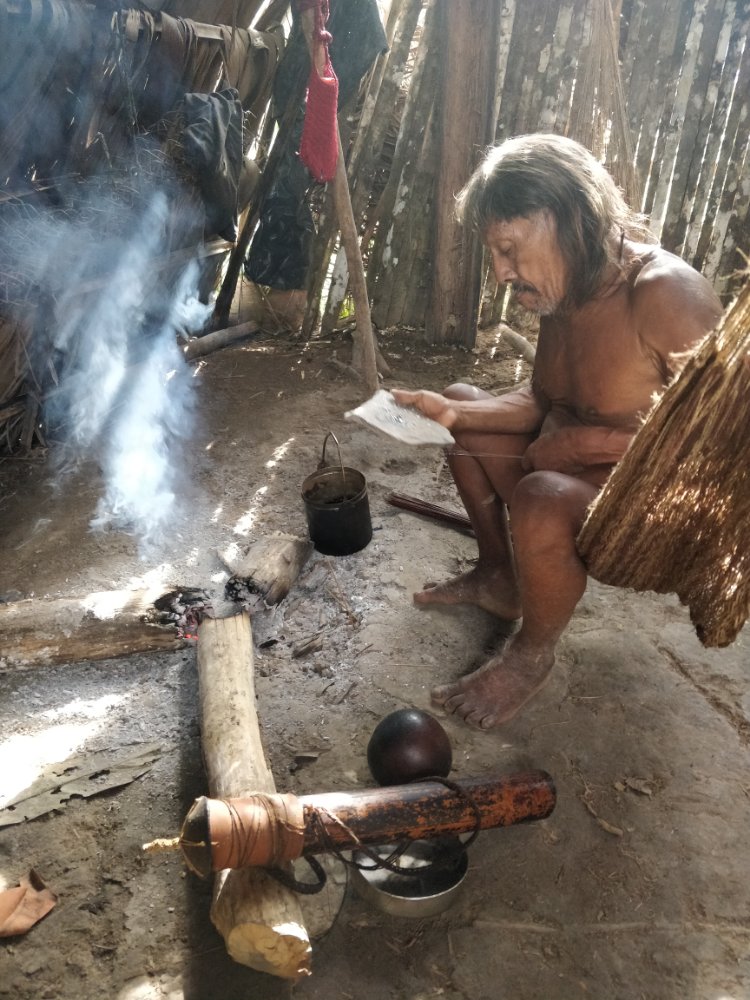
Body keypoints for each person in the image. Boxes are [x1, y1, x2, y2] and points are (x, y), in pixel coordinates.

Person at [392, 133, 723, 730]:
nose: (501, 272)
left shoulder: (665, 295)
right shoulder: (567, 286)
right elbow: (547, 399)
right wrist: (453, 415)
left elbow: (724, 446)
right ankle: (501, 576)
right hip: (557, 472)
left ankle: (531, 655)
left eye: (509, 250)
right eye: (495, 255)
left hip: (641, 512)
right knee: (464, 401)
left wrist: (584, 444)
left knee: (540, 494)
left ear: (568, 219)